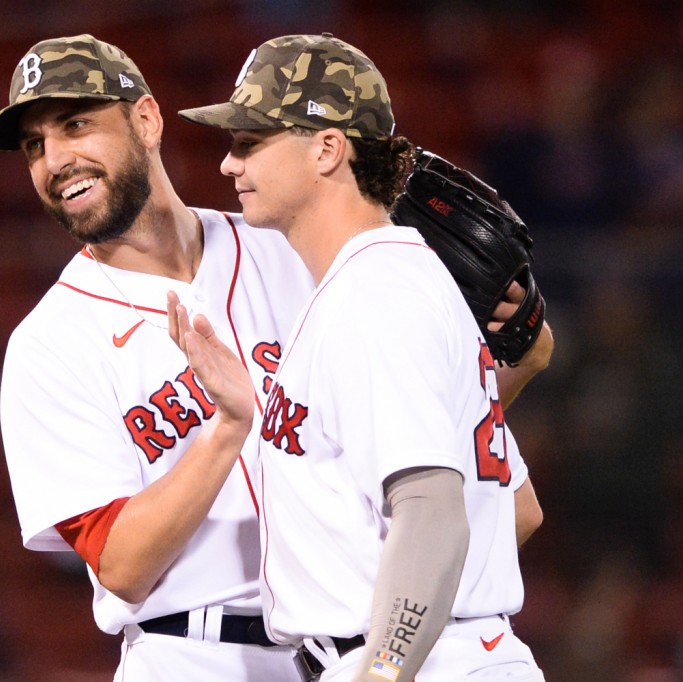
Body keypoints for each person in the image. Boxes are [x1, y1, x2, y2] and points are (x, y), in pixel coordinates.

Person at [0, 33, 548, 682]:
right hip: (197, 653)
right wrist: (228, 429)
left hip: (369, 636)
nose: (56, 159)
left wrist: (520, 364)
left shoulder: (303, 253)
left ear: (145, 119)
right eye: (34, 146)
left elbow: (428, 452)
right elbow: (121, 563)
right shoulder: (49, 343)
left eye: (76, 125)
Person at [177, 33, 546, 681]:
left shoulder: (375, 293)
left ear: (327, 147)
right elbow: (517, 509)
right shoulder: (391, 280)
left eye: (250, 141)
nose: (229, 166)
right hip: (444, 654)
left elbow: (433, 512)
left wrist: (382, 668)